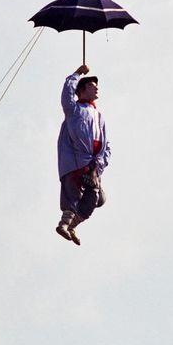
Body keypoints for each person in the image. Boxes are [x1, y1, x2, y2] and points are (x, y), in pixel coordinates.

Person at [55, 65, 110, 245]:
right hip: (75, 161)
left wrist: (99, 165)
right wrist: (77, 74)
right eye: (92, 85)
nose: (96, 87)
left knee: (96, 198)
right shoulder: (74, 110)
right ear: (83, 89)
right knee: (72, 193)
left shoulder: (99, 115)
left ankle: (71, 225)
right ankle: (64, 224)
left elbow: (105, 144)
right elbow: (66, 95)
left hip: (93, 164)